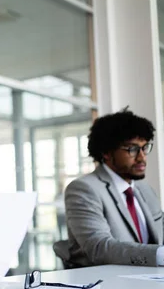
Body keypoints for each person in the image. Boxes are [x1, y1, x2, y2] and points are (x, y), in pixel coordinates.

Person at [54, 109, 164, 267]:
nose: (142, 157)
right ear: (106, 152)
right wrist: (159, 255)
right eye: (132, 149)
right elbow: (98, 247)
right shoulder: (83, 189)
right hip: (107, 286)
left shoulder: (144, 189)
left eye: (144, 147)